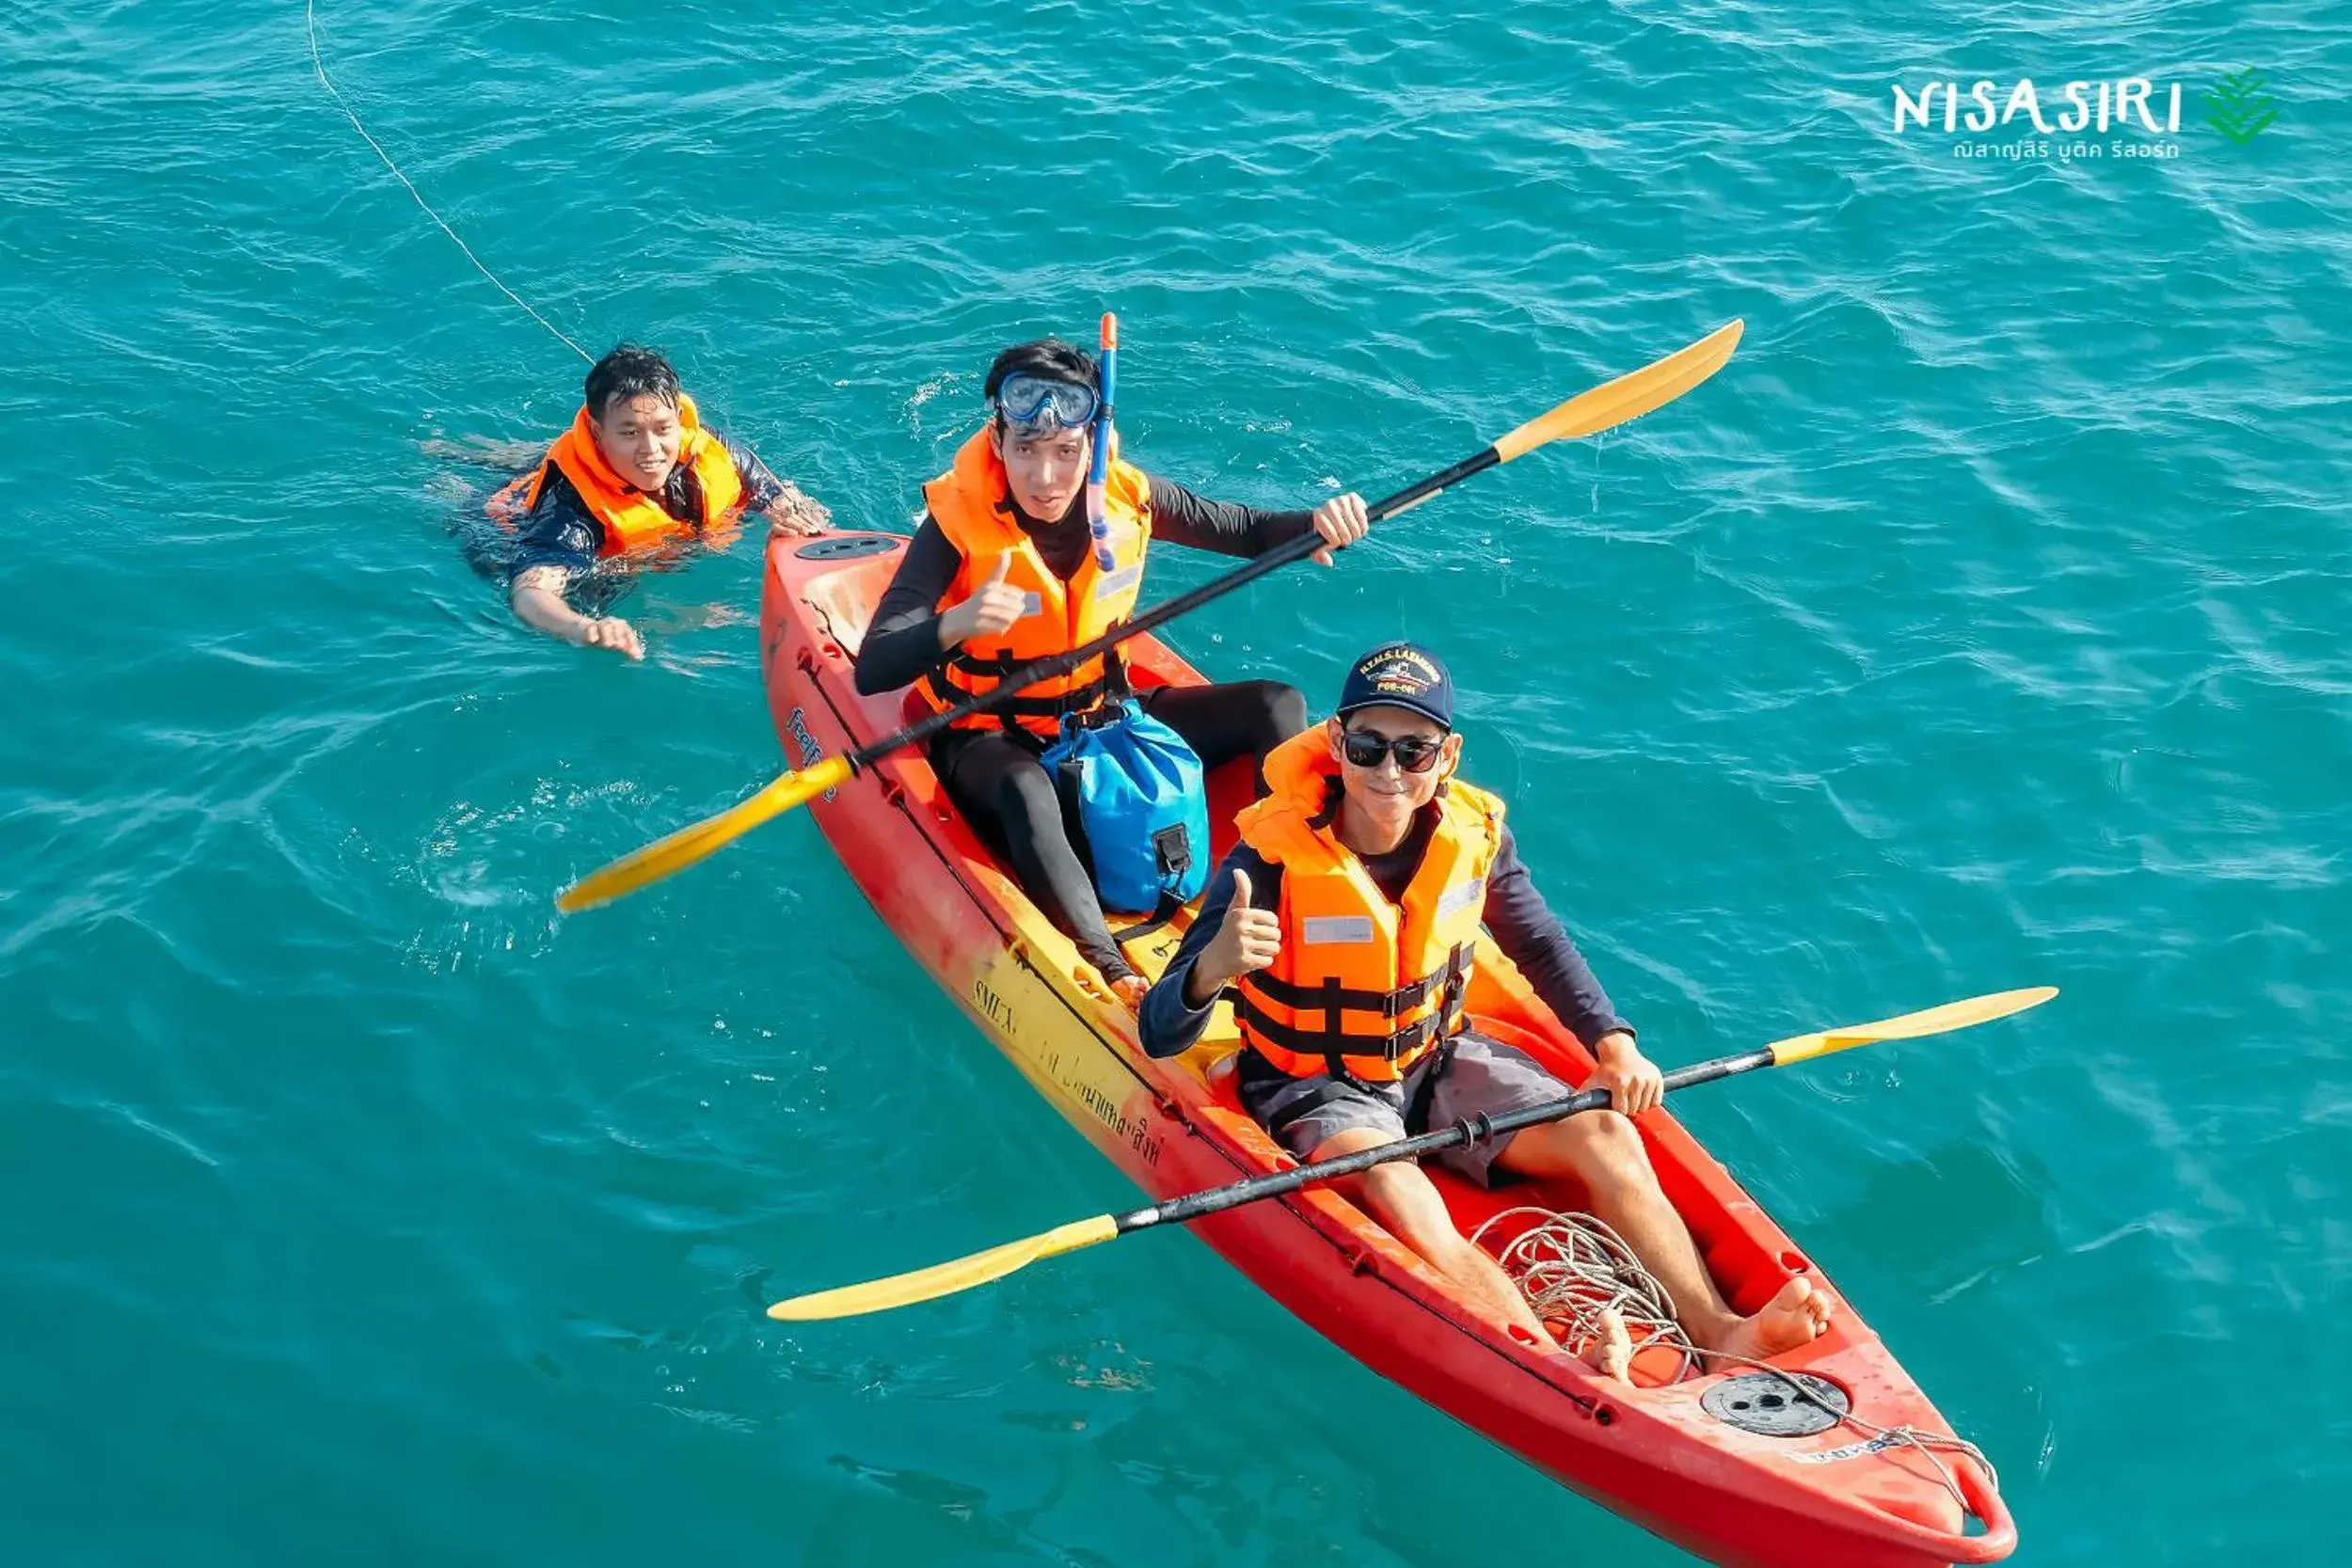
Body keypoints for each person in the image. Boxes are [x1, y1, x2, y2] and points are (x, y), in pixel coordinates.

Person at [1137, 642, 1835, 1373]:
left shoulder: (1474, 837)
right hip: (1318, 1085)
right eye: (1369, 746)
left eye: (1414, 750)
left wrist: (1614, 1041)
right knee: (1392, 1178)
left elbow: (1540, 943)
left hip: (1436, 1060)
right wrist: (1213, 966)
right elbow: (1159, 1031)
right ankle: (1555, 1360)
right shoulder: (1267, 861)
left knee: (1601, 1129)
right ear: (1338, 743)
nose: (1388, 772)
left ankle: (1724, 1332)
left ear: (1447, 755)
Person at [852, 337, 1373, 1006]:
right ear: (997, 439)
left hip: (1106, 713)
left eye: (1066, 452)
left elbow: (1243, 528)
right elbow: (875, 665)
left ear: (1095, 444)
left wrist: (1317, 525)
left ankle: (1275, 890)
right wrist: (961, 622)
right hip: (987, 733)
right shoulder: (957, 522)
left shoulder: (1128, 497)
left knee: (1276, 704)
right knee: (1026, 791)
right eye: (1025, 451)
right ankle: (1112, 966)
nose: (1045, 477)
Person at [496, 343, 831, 659]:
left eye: (662, 428)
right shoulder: (573, 509)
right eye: (630, 433)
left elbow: (783, 498)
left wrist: (796, 521)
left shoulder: (712, 451)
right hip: (505, 513)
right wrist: (583, 627)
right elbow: (529, 591)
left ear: (678, 419)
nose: (652, 449)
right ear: (598, 433)